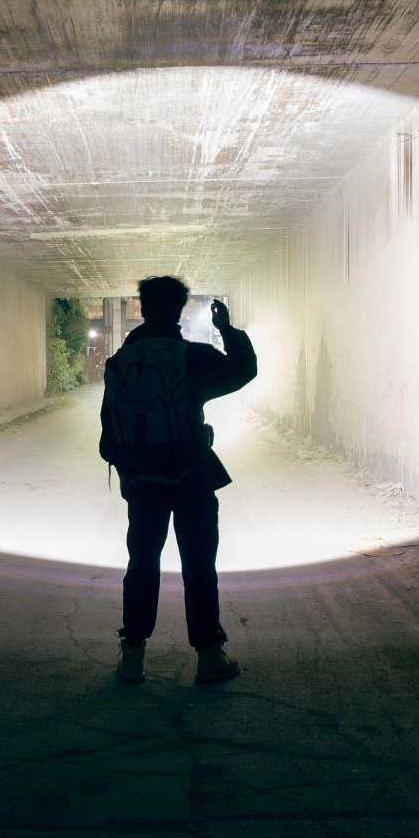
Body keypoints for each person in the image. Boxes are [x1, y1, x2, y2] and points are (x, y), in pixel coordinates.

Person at [98, 276, 257, 684]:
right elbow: (244, 369)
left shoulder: (120, 363)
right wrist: (226, 329)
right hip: (191, 479)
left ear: (142, 308)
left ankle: (132, 656)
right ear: (181, 310)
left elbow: (108, 437)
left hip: (143, 483)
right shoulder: (193, 358)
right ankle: (209, 656)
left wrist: (134, 464)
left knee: (142, 563)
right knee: (199, 565)